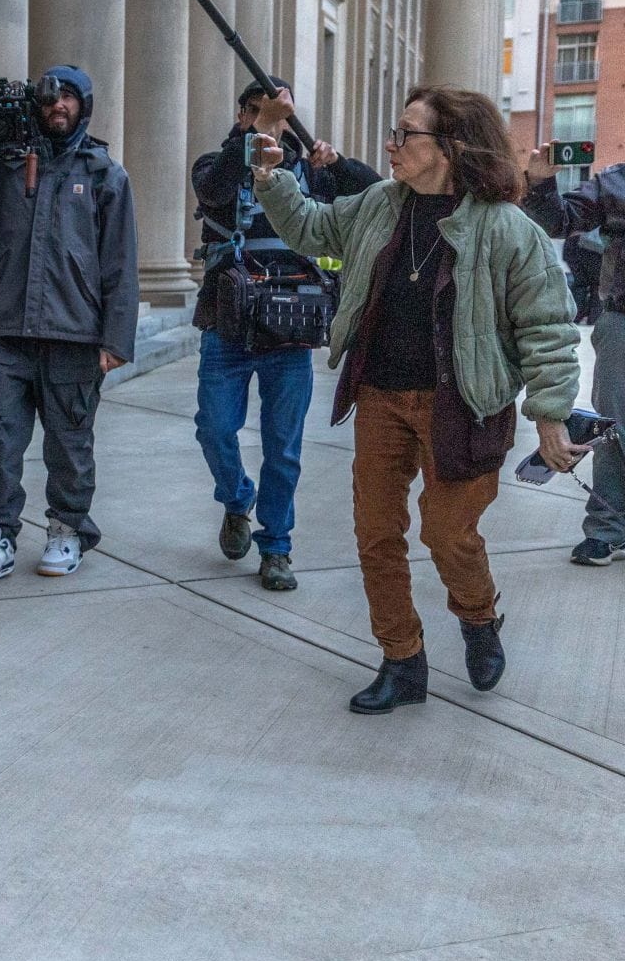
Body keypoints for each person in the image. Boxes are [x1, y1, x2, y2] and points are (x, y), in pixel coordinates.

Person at [250, 86, 585, 714]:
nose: (391, 145)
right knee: (376, 535)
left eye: (406, 134)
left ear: (451, 146)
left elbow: (548, 328)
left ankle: (478, 616)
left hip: (462, 405)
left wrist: (550, 416)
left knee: (448, 533)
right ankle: (402, 660)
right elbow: (313, 227)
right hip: (380, 394)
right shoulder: (381, 202)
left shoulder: (507, 228)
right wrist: (273, 178)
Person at [0, 65, 138, 586]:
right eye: (50, 99)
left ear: (83, 106)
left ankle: (67, 529)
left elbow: (120, 263)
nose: (58, 107)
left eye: (68, 98)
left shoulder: (103, 175)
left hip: (74, 335)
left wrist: (115, 339)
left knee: (70, 444)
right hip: (2, 332)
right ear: (36, 107)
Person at [190, 80, 380, 592]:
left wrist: (335, 165)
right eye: (255, 111)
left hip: (290, 326)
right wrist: (259, 133)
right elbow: (214, 190)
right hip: (227, 325)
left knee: (284, 446)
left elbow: (373, 195)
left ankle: (276, 545)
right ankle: (236, 499)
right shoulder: (219, 161)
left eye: (276, 113)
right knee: (214, 427)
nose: (265, 120)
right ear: (242, 112)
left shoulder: (307, 173)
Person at [521, 153, 625, 567]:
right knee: (615, 427)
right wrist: (543, 183)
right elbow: (557, 221)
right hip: (622, 320)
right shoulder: (616, 183)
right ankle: (607, 530)